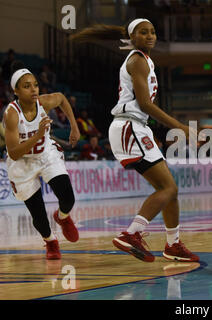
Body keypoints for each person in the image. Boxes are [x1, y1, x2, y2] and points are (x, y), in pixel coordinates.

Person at [70, 18, 199, 263]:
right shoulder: (137, 59)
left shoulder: (145, 60)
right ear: (132, 38)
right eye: (143, 32)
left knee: (170, 191)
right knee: (168, 188)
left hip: (136, 127)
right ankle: (131, 234)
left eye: (152, 31)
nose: (150, 35)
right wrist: (180, 126)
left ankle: (173, 245)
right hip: (130, 125)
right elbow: (145, 104)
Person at [3, 61, 80, 260]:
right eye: (27, 86)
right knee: (38, 214)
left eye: (35, 84)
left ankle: (62, 218)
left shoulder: (43, 102)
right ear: (16, 91)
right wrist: (37, 135)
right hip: (22, 162)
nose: (33, 89)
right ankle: (50, 240)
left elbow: (62, 98)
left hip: (45, 154)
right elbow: (13, 153)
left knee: (68, 197)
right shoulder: (11, 115)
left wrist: (74, 126)